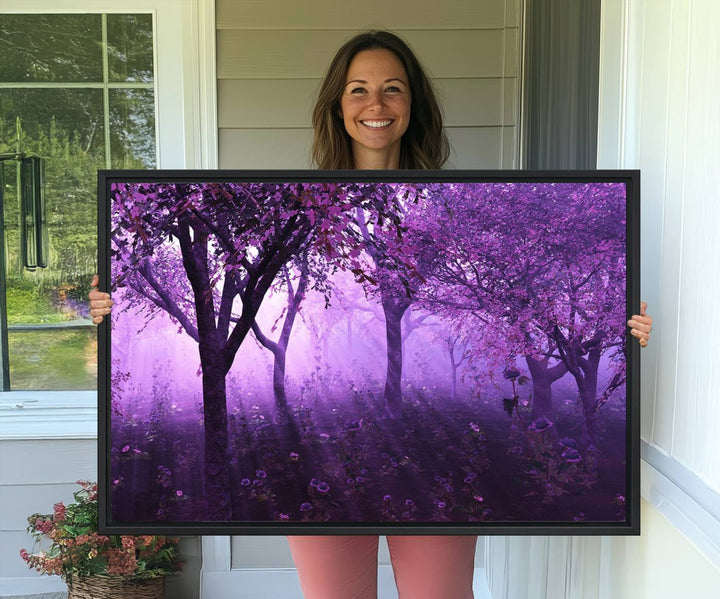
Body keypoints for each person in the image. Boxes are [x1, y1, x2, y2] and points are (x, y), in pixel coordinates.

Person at [89, 30, 653, 599]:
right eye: (358, 90)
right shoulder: (301, 208)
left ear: (413, 105)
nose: (376, 105)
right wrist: (109, 306)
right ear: (338, 105)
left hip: (432, 472)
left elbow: (529, 303)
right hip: (317, 458)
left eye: (392, 89)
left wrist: (620, 331)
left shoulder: (452, 209)